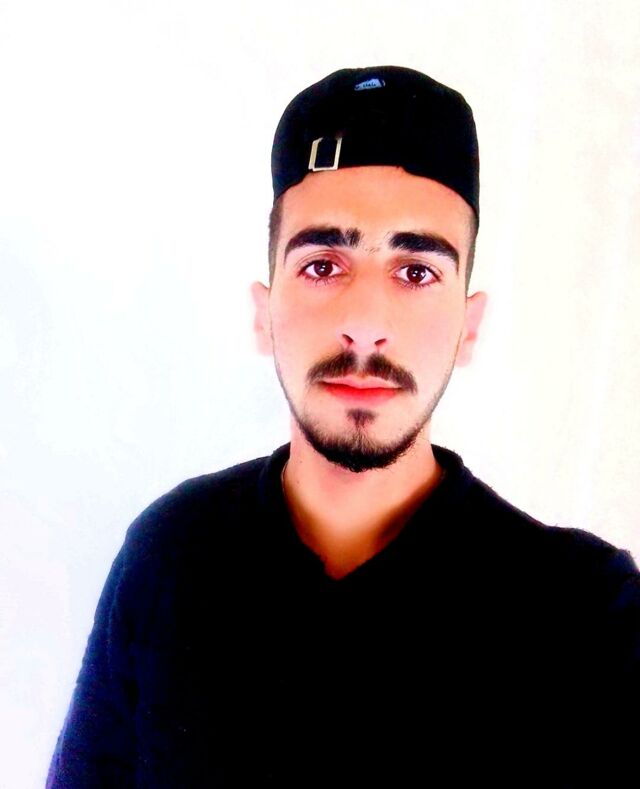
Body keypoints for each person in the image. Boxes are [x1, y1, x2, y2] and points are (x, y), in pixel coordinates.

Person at [47, 66, 640, 788]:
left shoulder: (585, 612)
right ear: (264, 313)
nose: (365, 322)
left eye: (415, 271)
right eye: (324, 265)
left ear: (468, 326)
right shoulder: (170, 555)